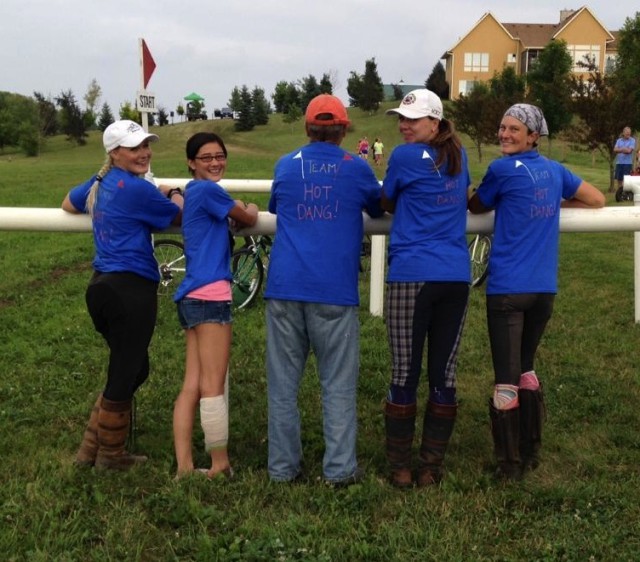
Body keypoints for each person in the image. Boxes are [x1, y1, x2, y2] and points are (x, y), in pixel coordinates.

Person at [468, 103, 605, 480]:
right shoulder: (555, 171)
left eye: (514, 129)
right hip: (544, 290)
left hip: (508, 290)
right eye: (502, 127)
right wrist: (557, 204)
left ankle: (508, 466)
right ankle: (529, 451)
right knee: (526, 367)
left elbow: (476, 204)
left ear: (533, 136)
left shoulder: (499, 170)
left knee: (506, 377)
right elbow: (597, 199)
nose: (504, 134)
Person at [264, 94, 384, 486]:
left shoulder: (285, 165)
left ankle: (282, 469)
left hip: (284, 287)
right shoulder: (357, 168)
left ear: (307, 128)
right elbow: (378, 207)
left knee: (283, 385)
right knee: (337, 385)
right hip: (334, 291)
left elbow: (278, 207)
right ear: (344, 130)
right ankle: (339, 470)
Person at [62, 120, 183, 470]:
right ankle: (110, 456)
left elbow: (68, 204)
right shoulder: (136, 188)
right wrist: (173, 191)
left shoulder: (101, 182)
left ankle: (90, 449)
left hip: (101, 288)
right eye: (134, 148)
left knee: (133, 368)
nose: (144, 153)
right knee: (127, 369)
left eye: (146, 145)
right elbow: (178, 214)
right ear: (114, 153)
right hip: (130, 290)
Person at [381, 89, 471, 488]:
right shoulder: (459, 155)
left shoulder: (402, 157)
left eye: (411, 120)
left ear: (434, 123)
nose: (403, 125)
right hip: (454, 275)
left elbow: (386, 201)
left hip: (411, 274)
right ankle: (431, 468)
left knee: (404, 370)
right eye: (401, 118)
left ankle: (401, 467)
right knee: (443, 374)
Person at [171, 132, 258, 479]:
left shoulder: (194, 192)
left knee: (192, 384)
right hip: (212, 296)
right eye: (206, 157)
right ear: (191, 162)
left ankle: (184, 467)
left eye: (220, 155)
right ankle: (219, 464)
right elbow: (248, 219)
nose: (215, 162)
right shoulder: (208, 190)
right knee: (213, 384)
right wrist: (249, 208)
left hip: (192, 296)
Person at [613, 126, 636, 195]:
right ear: (623, 133)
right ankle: (619, 194)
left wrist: (620, 149)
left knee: (626, 180)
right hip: (619, 163)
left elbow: (629, 151)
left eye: (629, 133)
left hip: (627, 164)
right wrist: (623, 149)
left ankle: (625, 194)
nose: (628, 134)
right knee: (619, 179)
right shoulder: (619, 140)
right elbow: (615, 150)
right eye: (627, 133)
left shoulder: (632, 140)